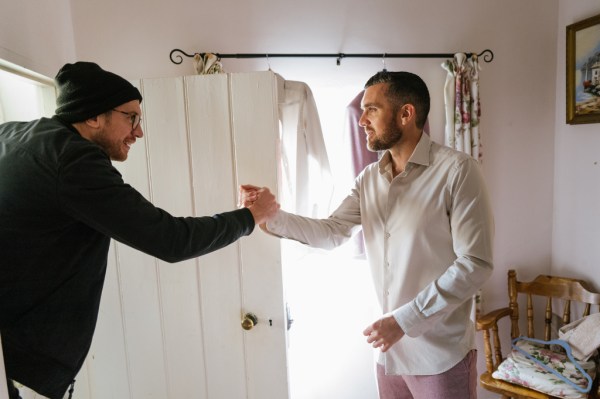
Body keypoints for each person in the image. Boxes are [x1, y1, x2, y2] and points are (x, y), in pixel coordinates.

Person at [0, 61, 279, 399]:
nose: (139, 131)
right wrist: (251, 216)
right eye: (130, 117)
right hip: (23, 371)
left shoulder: (11, 134)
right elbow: (172, 240)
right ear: (92, 117)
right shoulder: (75, 162)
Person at [240, 71, 494, 399]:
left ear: (406, 114)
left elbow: (476, 263)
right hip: (387, 356)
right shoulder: (368, 179)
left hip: (439, 358)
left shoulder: (458, 171)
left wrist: (404, 320)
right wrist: (272, 215)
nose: (361, 120)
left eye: (371, 109)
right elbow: (331, 232)